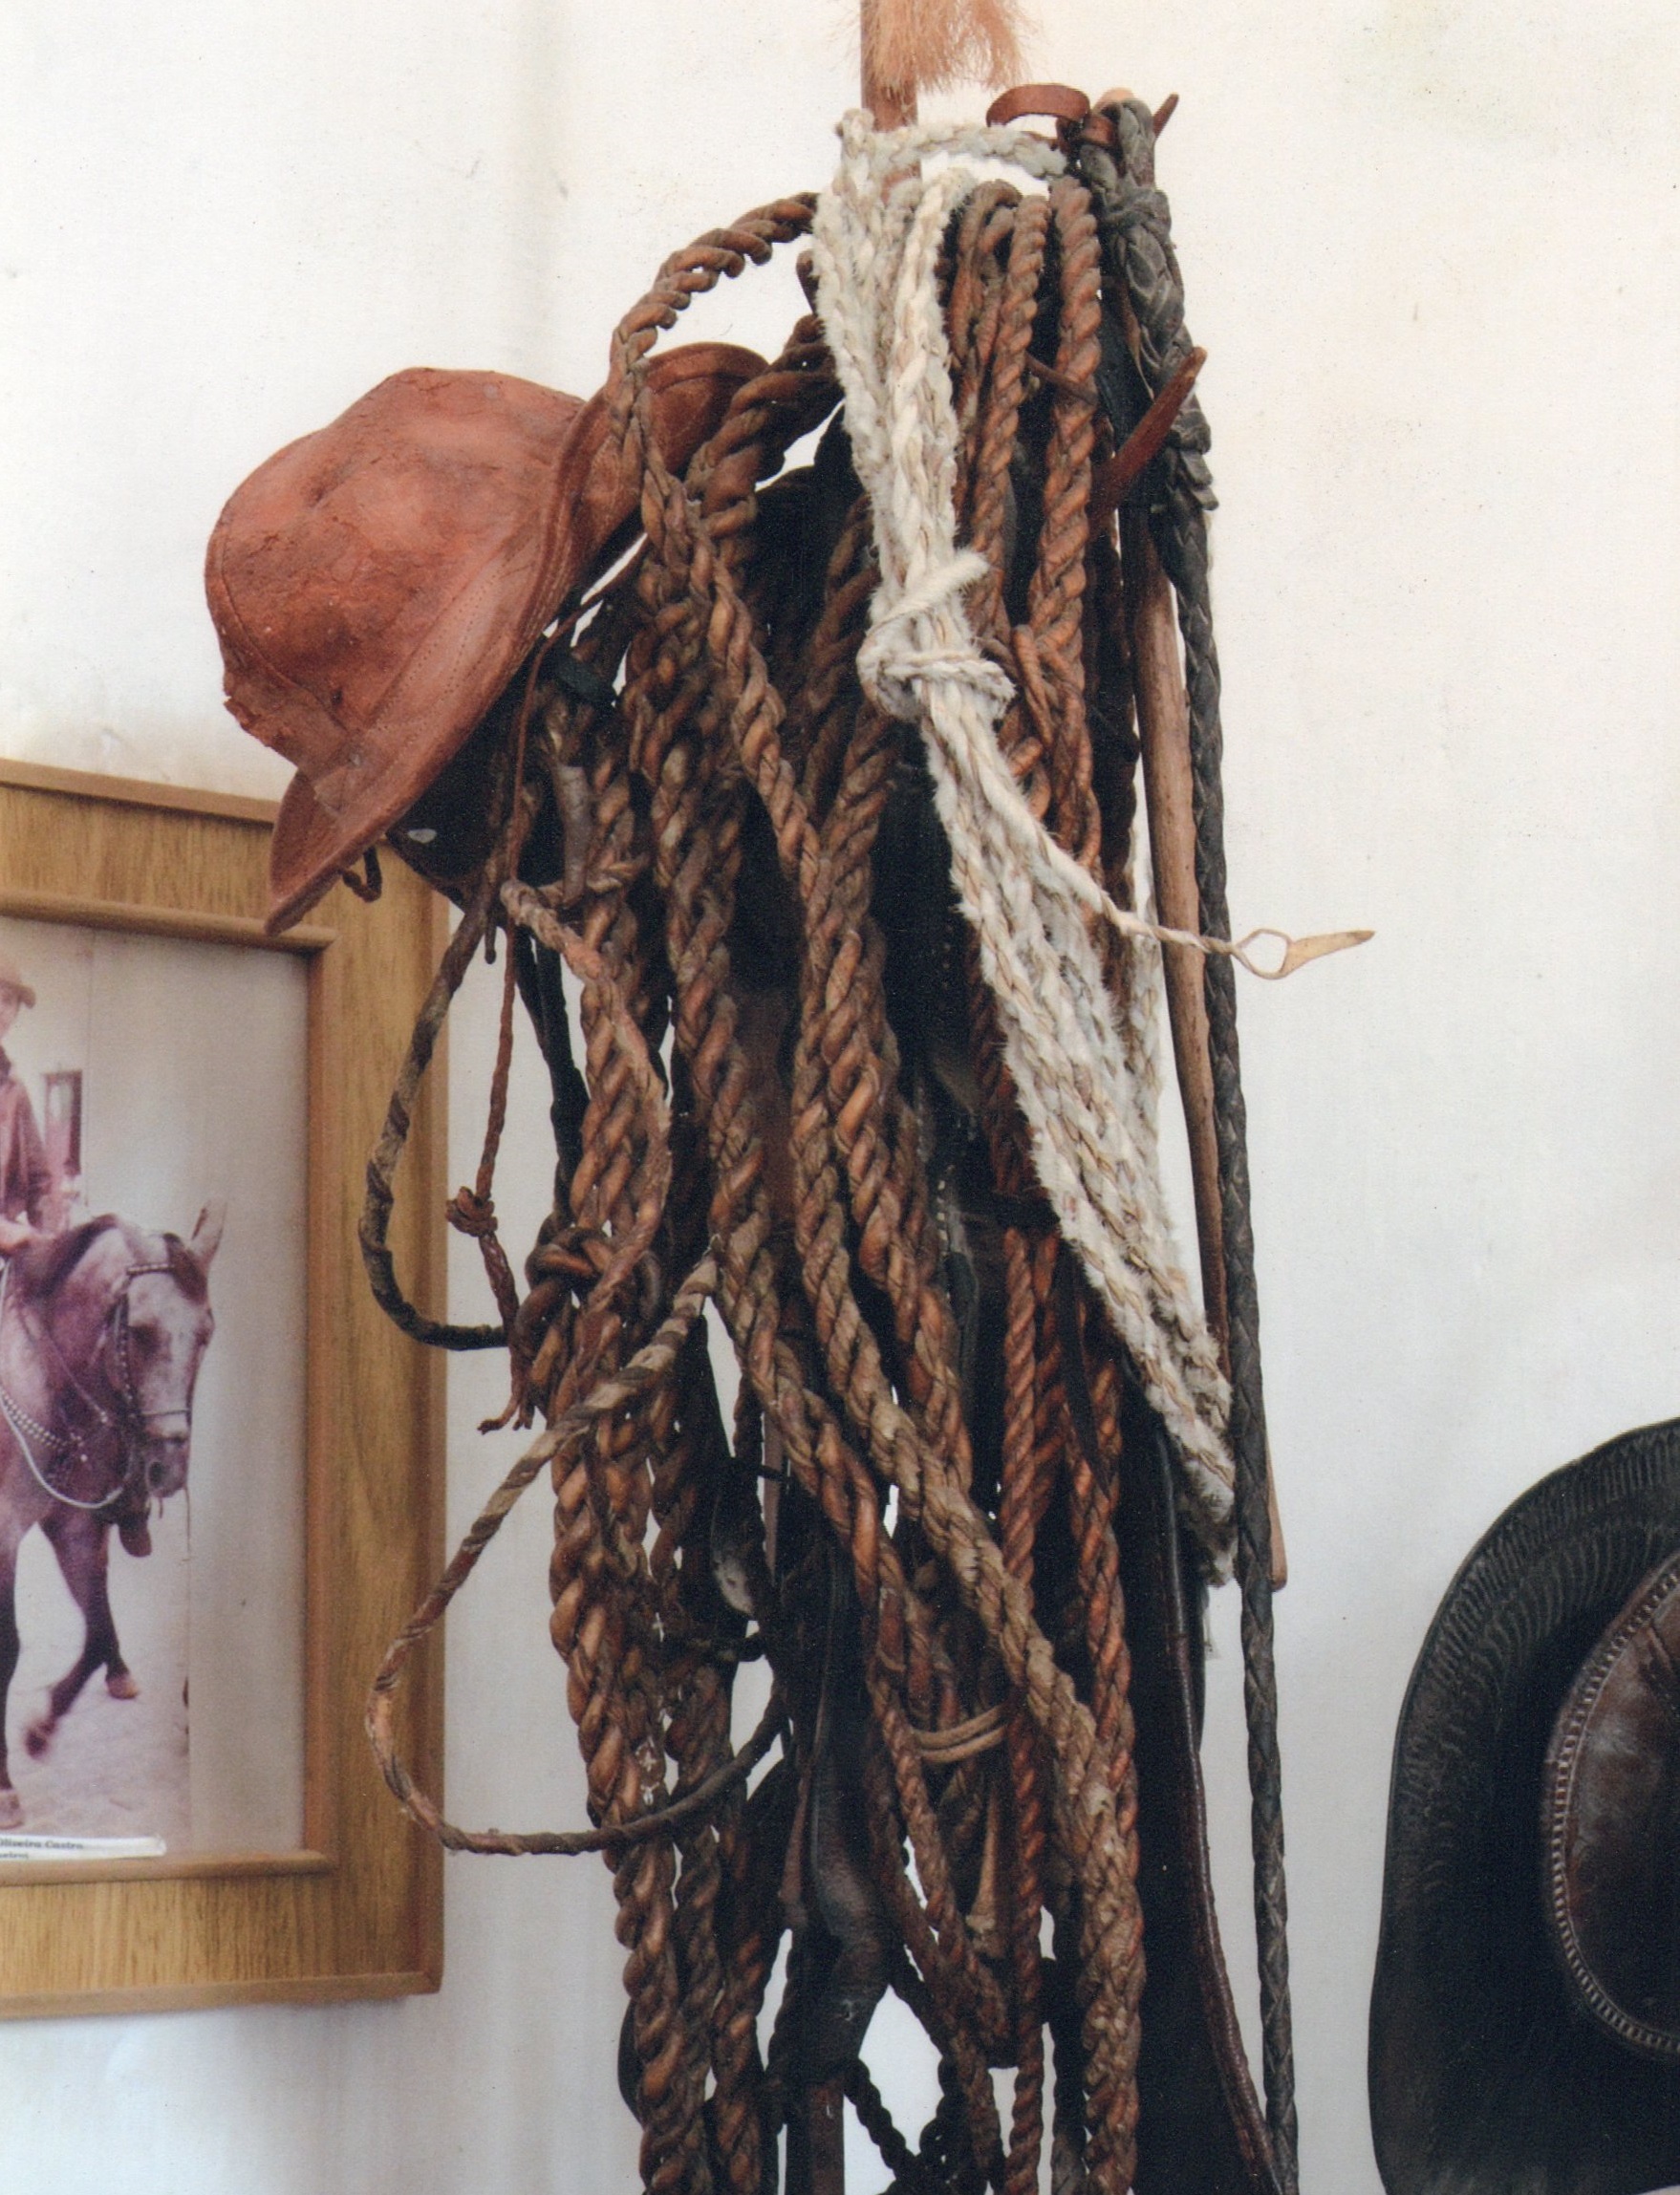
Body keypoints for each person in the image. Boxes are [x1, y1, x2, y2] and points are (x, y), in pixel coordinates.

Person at [0, 953, 50, 1256]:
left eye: (7, 1001)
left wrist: (53, 1241)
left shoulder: (15, 1090)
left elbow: (39, 1180)